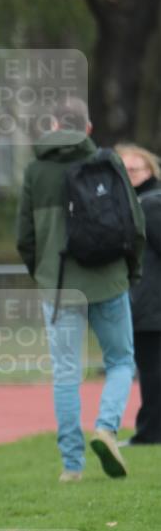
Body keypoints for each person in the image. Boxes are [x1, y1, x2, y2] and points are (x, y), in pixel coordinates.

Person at [16, 98, 145, 481]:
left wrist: (42, 272)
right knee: (121, 361)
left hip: (58, 287)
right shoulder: (109, 162)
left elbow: (25, 236)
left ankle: (72, 466)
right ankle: (106, 426)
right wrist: (131, 271)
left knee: (67, 373)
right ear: (87, 127)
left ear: (54, 126)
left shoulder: (37, 171)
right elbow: (134, 224)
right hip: (109, 279)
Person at [115, 143, 161, 445]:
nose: (128, 175)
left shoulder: (150, 204)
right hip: (146, 300)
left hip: (152, 303)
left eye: (134, 169)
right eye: (123, 170)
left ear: (149, 171)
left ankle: (150, 432)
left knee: (152, 369)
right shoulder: (136, 203)